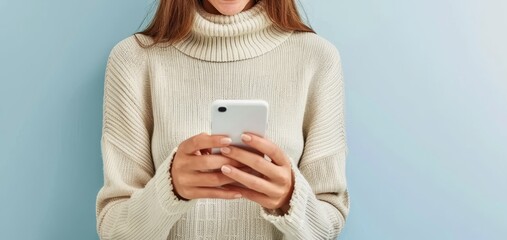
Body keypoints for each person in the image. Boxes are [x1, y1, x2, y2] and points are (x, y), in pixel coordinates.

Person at [95, 0, 349, 239]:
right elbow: (114, 229)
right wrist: (168, 190)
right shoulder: (134, 59)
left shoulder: (317, 58)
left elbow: (329, 225)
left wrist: (289, 199)